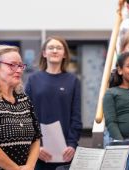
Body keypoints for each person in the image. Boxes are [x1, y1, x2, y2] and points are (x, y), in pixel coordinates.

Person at [0, 45, 42, 169]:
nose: (19, 70)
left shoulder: (24, 99)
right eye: (12, 65)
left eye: (20, 65)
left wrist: (30, 166)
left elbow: (36, 138)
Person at [25, 36, 82, 170]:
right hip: (39, 151)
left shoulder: (73, 81)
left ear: (65, 54)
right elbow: (26, 116)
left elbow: (76, 116)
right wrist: (35, 146)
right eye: (51, 48)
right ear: (44, 53)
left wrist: (72, 145)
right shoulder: (33, 80)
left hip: (66, 151)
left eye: (59, 48)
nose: (55, 50)